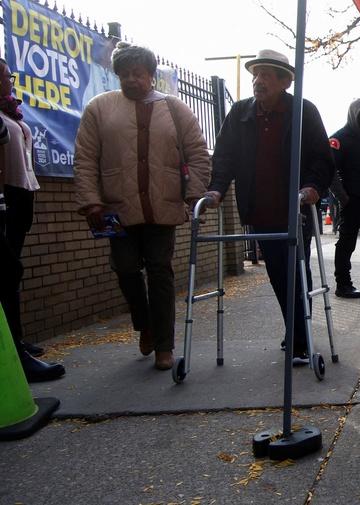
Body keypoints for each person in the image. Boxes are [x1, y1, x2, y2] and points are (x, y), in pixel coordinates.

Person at [74, 43, 211, 371]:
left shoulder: (175, 109)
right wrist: (91, 201)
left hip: (162, 207)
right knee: (124, 268)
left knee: (160, 272)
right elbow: (85, 158)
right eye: (124, 74)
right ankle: (145, 324)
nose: (131, 79)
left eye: (137, 73)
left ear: (151, 75)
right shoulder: (100, 108)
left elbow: (198, 153)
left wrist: (195, 194)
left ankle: (164, 345)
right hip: (117, 208)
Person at [204, 49, 333, 366]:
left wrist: (313, 186)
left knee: (295, 271)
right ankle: (297, 332)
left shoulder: (303, 111)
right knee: (279, 273)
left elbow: (322, 157)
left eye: (266, 75)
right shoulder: (239, 114)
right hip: (260, 208)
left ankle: (301, 341)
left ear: (284, 81)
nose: (257, 81)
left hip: (295, 208)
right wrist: (216, 190)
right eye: (256, 74)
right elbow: (225, 157)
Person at [0, 58, 65, 382]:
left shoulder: (12, 112)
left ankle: (16, 339)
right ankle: (13, 351)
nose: (9, 81)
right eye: (3, 77)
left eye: (9, 76)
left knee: (11, 270)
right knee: (8, 270)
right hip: (6, 194)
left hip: (22, 191)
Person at [329, 98, 360, 298]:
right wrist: (343, 197)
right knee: (347, 244)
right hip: (352, 201)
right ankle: (343, 284)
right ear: (355, 115)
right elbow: (329, 171)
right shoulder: (340, 138)